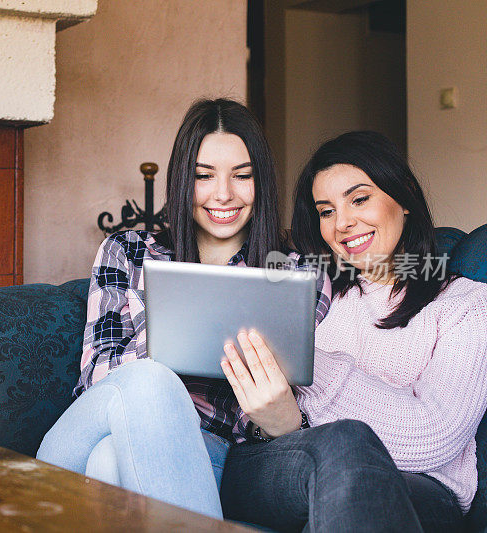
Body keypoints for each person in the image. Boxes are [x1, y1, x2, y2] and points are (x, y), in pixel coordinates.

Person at [36, 98, 389, 522]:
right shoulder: (128, 250)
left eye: (242, 176)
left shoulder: (296, 270)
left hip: (208, 452)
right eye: (204, 176)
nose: (223, 194)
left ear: (262, 183)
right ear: (184, 180)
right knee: (149, 381)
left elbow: (280, 401)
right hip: (89, 426)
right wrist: (179, 323)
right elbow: (96, 378)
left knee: (109, 463)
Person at [219, 131, 487, 532]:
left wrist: (307, 386)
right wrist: (282, 421)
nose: (342, 223)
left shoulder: (465, 304)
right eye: (325, 211)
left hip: (420, 488)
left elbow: (435, 436)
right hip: (278, 467)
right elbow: (260, 418)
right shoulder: (313, 295)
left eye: (359, 199)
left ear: (405, 197)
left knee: (346, 451)